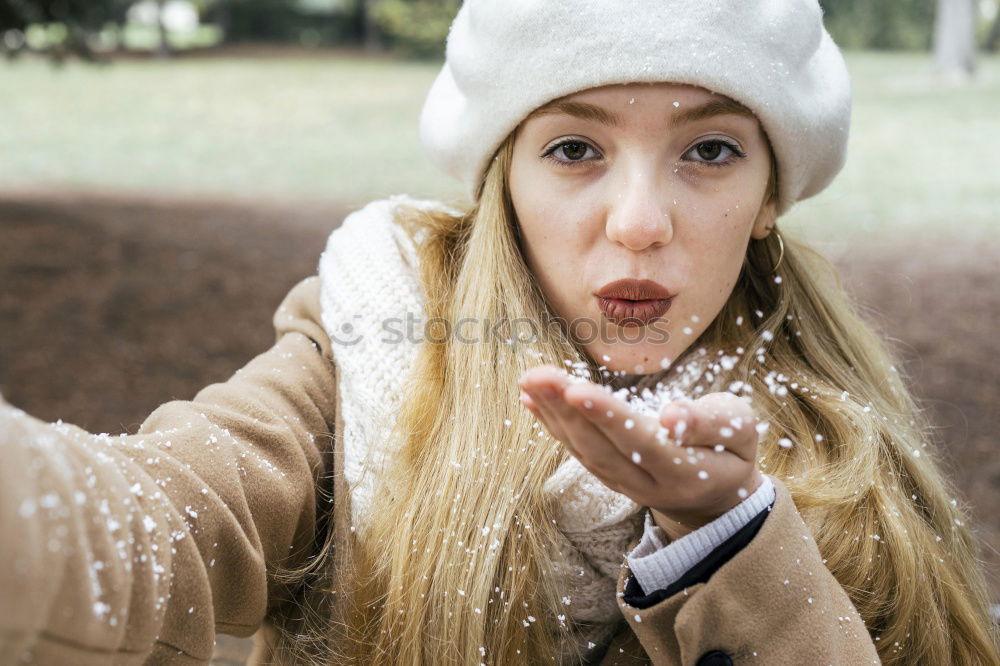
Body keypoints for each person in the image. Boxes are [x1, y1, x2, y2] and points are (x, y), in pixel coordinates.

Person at [1, 0, 997, 664]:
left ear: (771, 190)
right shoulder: (374, 333)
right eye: (573, 148)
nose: (641, 220)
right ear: (500, 177)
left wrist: (733, 536)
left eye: (709, 149)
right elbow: (158, 523)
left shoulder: (843, 427)